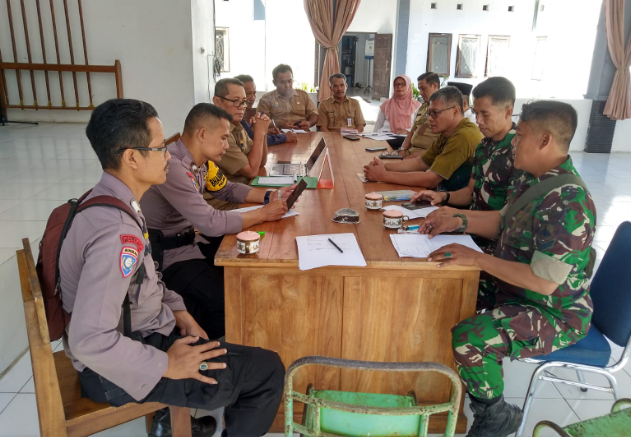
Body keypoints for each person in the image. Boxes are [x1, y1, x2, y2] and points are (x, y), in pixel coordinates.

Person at [59, 98, 285, 437]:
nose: (168, 155)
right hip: (117, 370)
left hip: (145, 332)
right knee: (266, 372)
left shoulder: (112, 201)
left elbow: (144, 278)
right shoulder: (116, 233)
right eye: (158, 148)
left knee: (218, 317)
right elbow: (88, 340)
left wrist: (180, 311)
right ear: (132, 157)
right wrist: (167, 364)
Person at [419, 101, 596, 437]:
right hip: (515, 286)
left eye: (522, 135)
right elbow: (502, 222)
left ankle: (494, 416)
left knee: (469, 338)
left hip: (554, 311)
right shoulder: (532, 180)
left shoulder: (570, 202)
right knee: (442, 286)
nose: (514, 141)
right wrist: (456, 220)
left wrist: (478, 258)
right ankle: (431, 385)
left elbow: (543, 283)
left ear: (545, 141)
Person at [140, 102, 294, 341]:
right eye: (223, 138)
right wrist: (263, 213)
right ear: (202, 134)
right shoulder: (175, 167)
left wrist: (269, 197)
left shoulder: (201, 163)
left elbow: (228, 189)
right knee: (230, 298)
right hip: (168, 257)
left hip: (190, 242)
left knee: (248, 267)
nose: (226, 145)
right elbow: (211, 221)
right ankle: (210, 346)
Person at [412, 76, 518, 254]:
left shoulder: (518, 152)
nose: (479, 121)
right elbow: (470, 192)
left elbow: (508, 219)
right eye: (476, 113)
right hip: (469, 231)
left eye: (485, 114)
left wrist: (459, 218)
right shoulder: (484, 146)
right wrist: (443, 197)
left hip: (496, 245)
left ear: (508, 112)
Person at [364, 86, 483, 191]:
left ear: (456, 111)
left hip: (458, 206)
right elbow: (420, 162)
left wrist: (383, 175)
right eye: (429, 113)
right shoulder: (447, 132)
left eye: (435, 113)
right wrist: (383, 166)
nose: (430, 118)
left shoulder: (463, 135)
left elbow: (431, 180)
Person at [205, 78, 269, 210]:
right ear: (217, 101)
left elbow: (261, 162)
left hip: (241, 190)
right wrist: (259, 134)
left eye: (244, 102)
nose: (242, 107)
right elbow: (252, 171)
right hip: (223, 202)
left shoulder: (236, 126)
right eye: (235, 101)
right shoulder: (218, 133)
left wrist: (263, 132)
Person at [234, 74, 298, 146]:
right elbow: (252, 139)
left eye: (254, 93)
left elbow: (249, 135)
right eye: (248, 93)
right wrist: (284, 137)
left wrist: (265, 132)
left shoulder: (243, 113)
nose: (252, 98)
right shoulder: (236, 114)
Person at [257, 64, 318, 131]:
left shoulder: (303, 95)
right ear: (274, 83)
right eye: (283, 82)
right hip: (278, 135)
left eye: (289, 81)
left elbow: (314, 114)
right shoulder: (266, 99)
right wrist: (279, 125)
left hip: (302, 133)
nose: (287, 85)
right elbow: (261, 122)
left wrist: (309, 123)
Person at [397, 72, 441, 158]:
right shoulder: (423, 107)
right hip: (411, 151)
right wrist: (402, 149)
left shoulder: (443, 109)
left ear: (435, 86)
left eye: (423, 88)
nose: (420, 93)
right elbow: (412, 131)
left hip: (426, 156)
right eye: (419, 89)